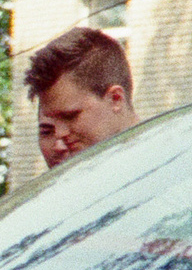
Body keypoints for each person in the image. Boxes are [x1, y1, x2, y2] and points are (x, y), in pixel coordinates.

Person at [28, 26, 139, 169]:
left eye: (70, 116)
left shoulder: (170, 169)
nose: (59, 135)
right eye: (47, 131)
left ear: (115, 98)